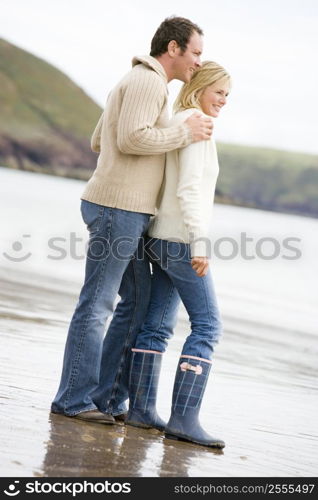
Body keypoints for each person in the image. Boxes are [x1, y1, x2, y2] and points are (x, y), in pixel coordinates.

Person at [51, 16, 213, 424]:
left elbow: (99, 139)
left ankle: (105, 398)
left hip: (126, 208)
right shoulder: (147, 82)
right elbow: (128, 139)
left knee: (135, 303)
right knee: (98, 304)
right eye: (195, 52)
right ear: (173, 48)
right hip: (116, 209)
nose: (197, 62)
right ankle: (73, 400)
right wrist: (184, 134)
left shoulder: (137, 80)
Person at [126, 61, 231, 448]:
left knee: (156, 325)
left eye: (227, 94)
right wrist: (200, 242)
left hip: (159, 237)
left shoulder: (177, 119)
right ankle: (184, 418)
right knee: (207, 326)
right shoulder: (197, 126)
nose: (223, 100)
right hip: (181, 240)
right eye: (219, 91)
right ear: (201, 86)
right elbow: (188, 190)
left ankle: (140, 411)